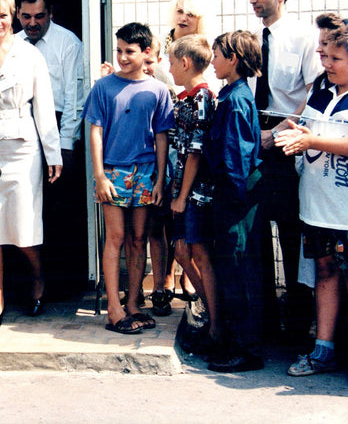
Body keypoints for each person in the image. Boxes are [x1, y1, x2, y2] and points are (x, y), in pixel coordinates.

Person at [0, 0, 61, 328]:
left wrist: (53, 153)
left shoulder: (30, 53)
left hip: (22, 149)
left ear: (13, 16)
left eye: (3, 15)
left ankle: (37, 278)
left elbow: (44, 106)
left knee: (24, 226)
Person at [278, 25, 348, 387]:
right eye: (326, 57)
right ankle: (323, 350)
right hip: (315, 208)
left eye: (336, 59)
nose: (327, 63)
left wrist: (313, 140)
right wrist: (284, 134)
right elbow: (302, 126)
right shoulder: (321, 95)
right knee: (324, 274)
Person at [82, 22, 174, 334]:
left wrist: (160, 179)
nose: (122, 57)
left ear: (147, 52)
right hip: (112, 172)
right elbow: (95, 131)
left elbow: (162, 136)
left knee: (139, 239)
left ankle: (133, 303)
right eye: (119, 50)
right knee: (116, 238)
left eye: (129, 52)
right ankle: (113, 307)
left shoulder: (158, 90)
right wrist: (99, 175)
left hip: (146, 173)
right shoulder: (103, 87)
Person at [249, 0, 321, 345]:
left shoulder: (303, 37)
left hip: (287, 148)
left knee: (292, 240)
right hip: (258, 149)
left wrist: (274, 134)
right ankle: (264, 325)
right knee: (258, 234)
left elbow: (311, 97)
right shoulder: (254, 38)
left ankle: (297, 329)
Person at [16, 0, 87, 296]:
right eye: (26, 16)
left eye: (40, 16)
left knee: (57, 209)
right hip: (22, 128)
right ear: (17, 14)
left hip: (59, 128)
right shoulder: (11, 43)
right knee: (26, 207)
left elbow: (75, 96)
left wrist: (67, 143)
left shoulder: (67, 42)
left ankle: (62, 283)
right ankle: (28, 279)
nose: (33, 23)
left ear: (51, 14)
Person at [206, 31, 264, 372]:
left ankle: (247, 350)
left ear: (234, 60)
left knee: (239, 271)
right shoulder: (229, 95)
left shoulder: (237, 100)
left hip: (235, 198)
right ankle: (236, 342)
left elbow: (236, 160)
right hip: (230, 197)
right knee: (232, 269)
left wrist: (232, 207)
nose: (213, 61)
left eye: (217, 55)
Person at [165, 34, 220, 344]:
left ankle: (216, 323)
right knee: (183, 251)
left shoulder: (202, 98)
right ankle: (211, 309)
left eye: (172, 62)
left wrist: (182, 197)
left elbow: (196, 152)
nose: (169, 68)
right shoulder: (184, 97)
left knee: (198, 253)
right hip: (182, 189)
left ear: (185, 63)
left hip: (196, 192)